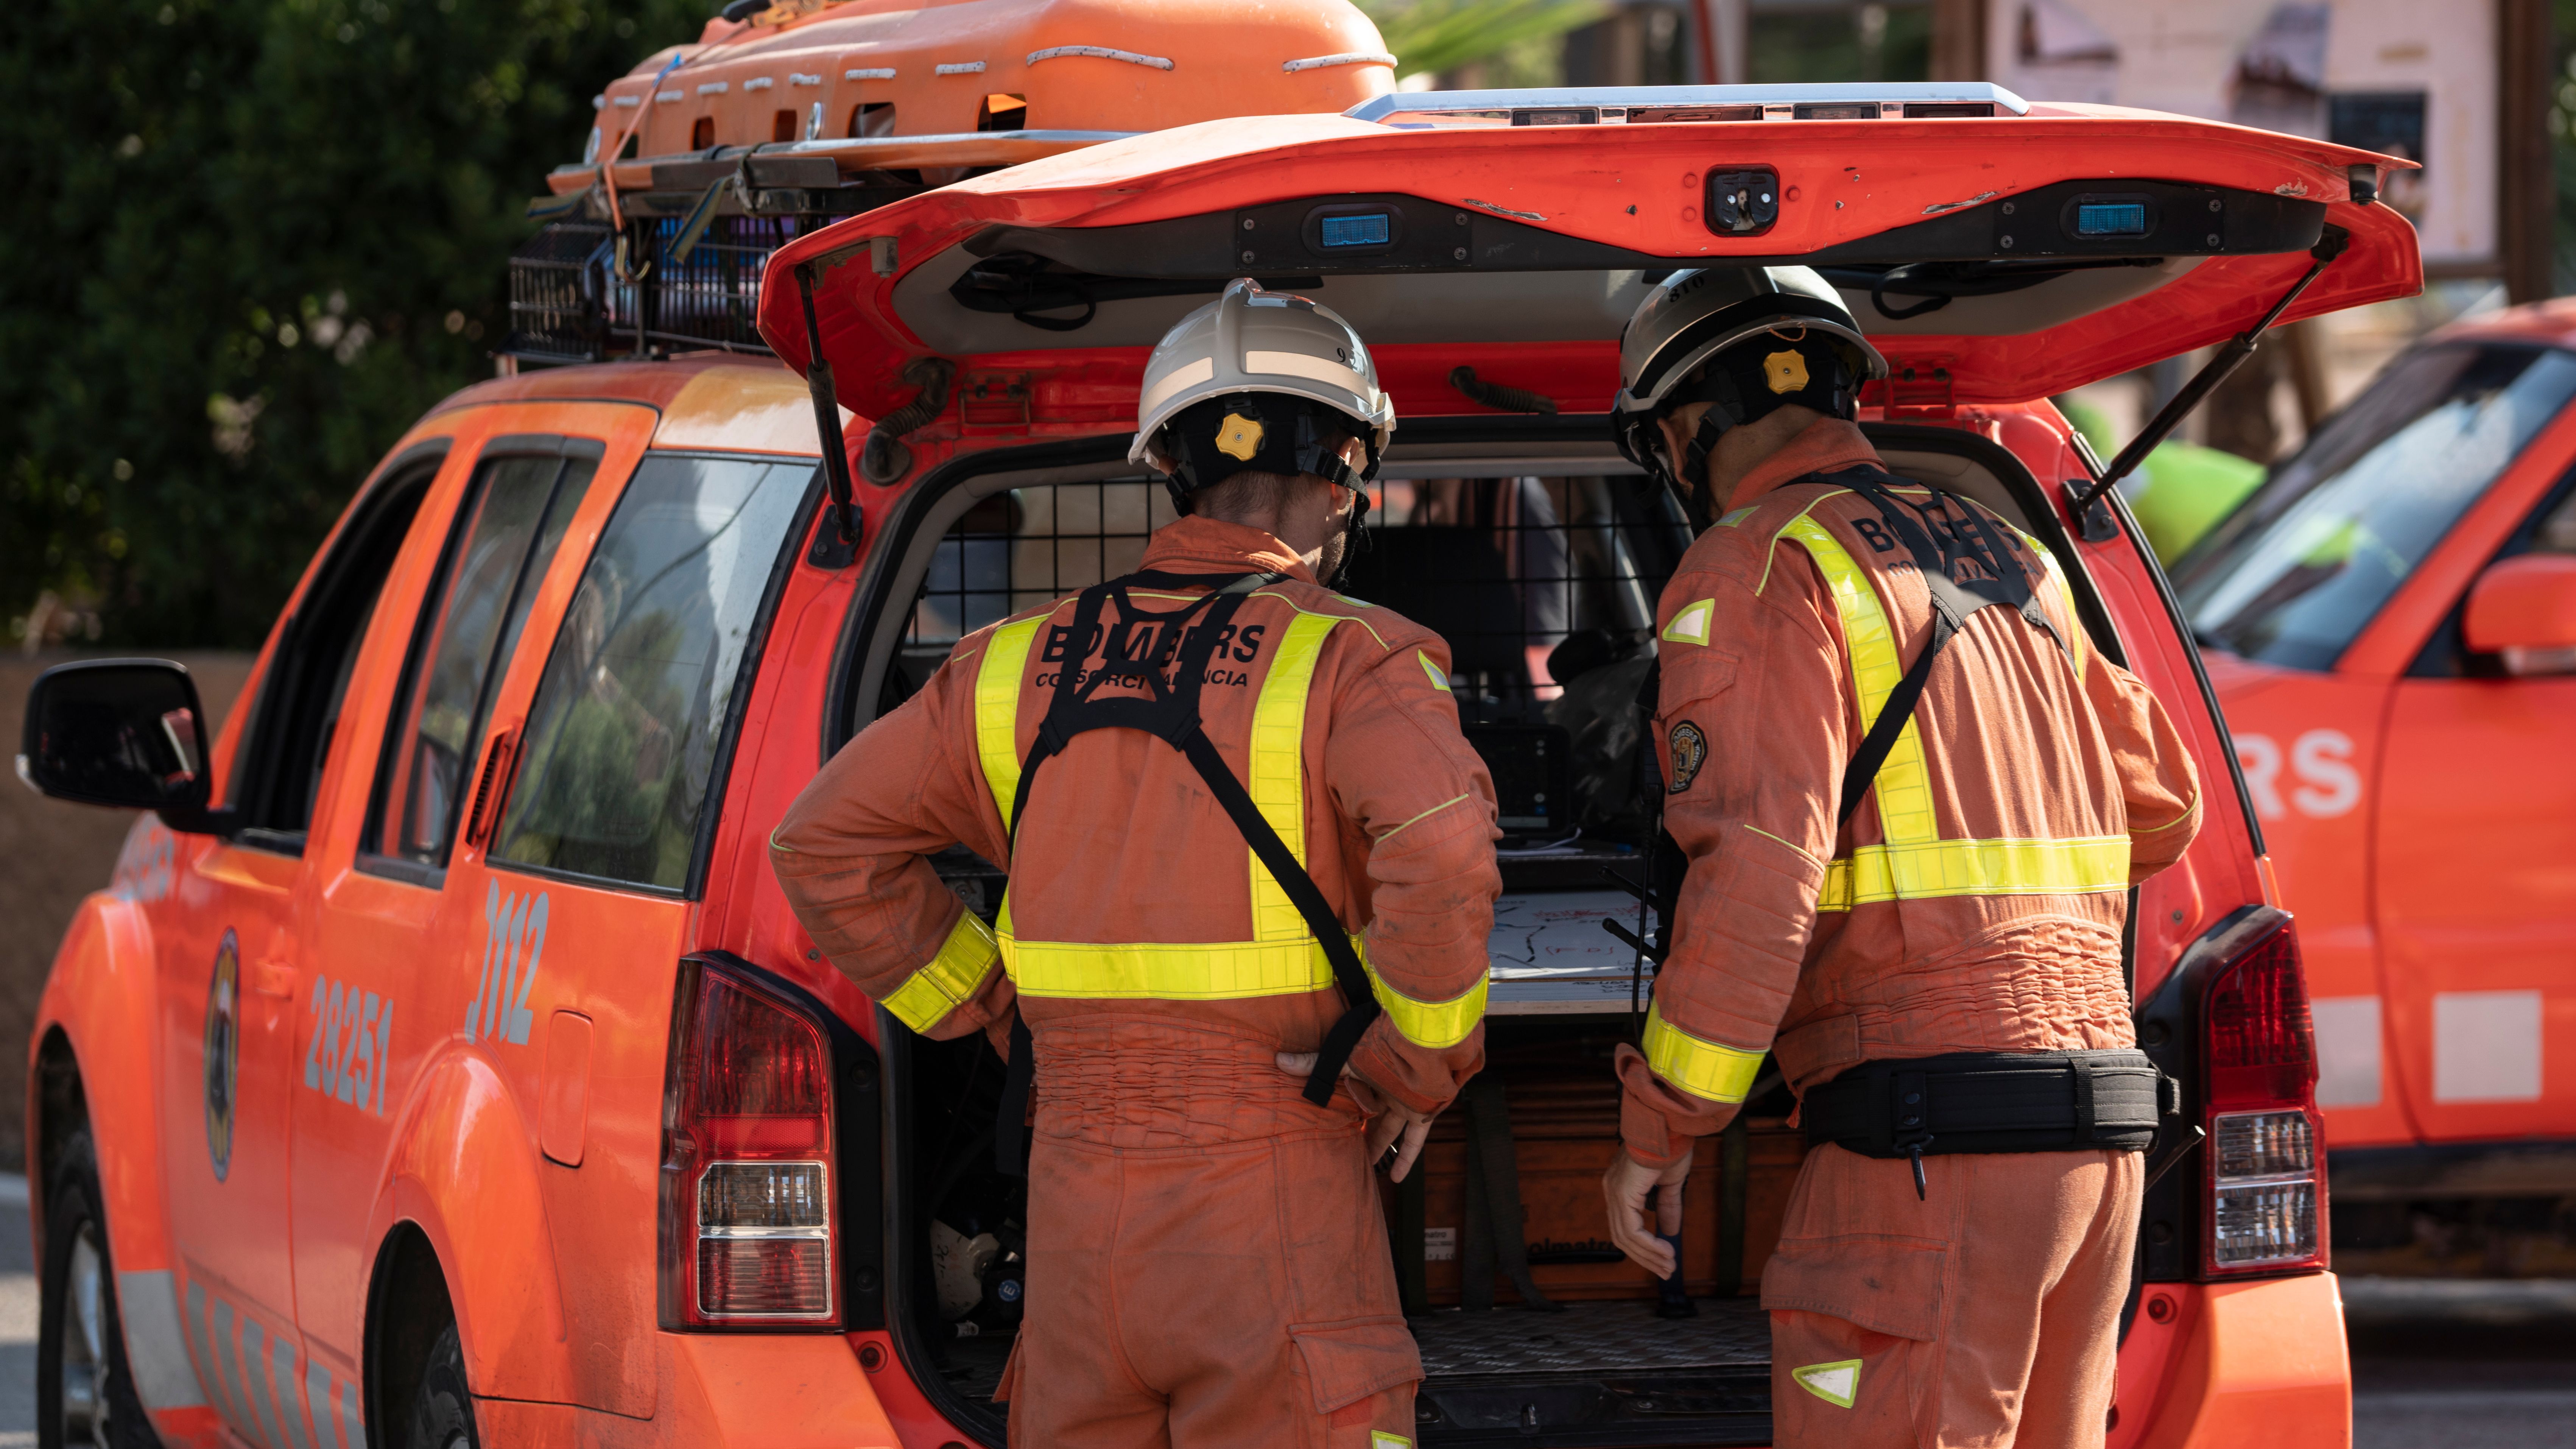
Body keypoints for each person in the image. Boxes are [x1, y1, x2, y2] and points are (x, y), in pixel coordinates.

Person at [771, 278, 1500, 1449]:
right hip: (1276, 1188)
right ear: (1347, 470)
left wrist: (990, 1004)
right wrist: (1409, 1063)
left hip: (1073, 1210)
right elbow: (1445, 851)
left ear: (1170, 467)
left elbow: (820, 844)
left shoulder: (1012, 668)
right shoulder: (1359, 660)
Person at [1593, 267, 2203, 1448]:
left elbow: (1757, 884)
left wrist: (1658, 1134)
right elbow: (2165, 809)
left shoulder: (1755, 566)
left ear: (1679, 430)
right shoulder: (2015, 556)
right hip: (2099, 1149)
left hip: (1929, 1149)